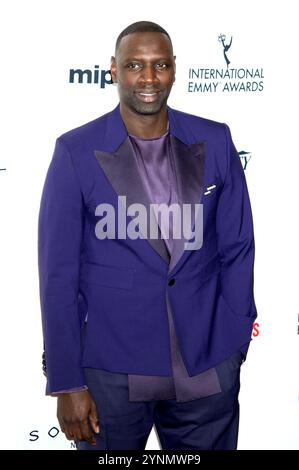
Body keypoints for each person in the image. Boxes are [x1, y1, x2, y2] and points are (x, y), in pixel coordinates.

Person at [38, 21, 257, 450]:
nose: (149, 78)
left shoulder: (215, 139)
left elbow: (237, 246)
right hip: (110, 373)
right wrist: (67, 382)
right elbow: (57, 275)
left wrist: (234, 339)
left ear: (175, 70)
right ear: (114, 70)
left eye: (160, 65)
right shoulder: (75, 151)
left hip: (207, 367)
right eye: (135, 65)